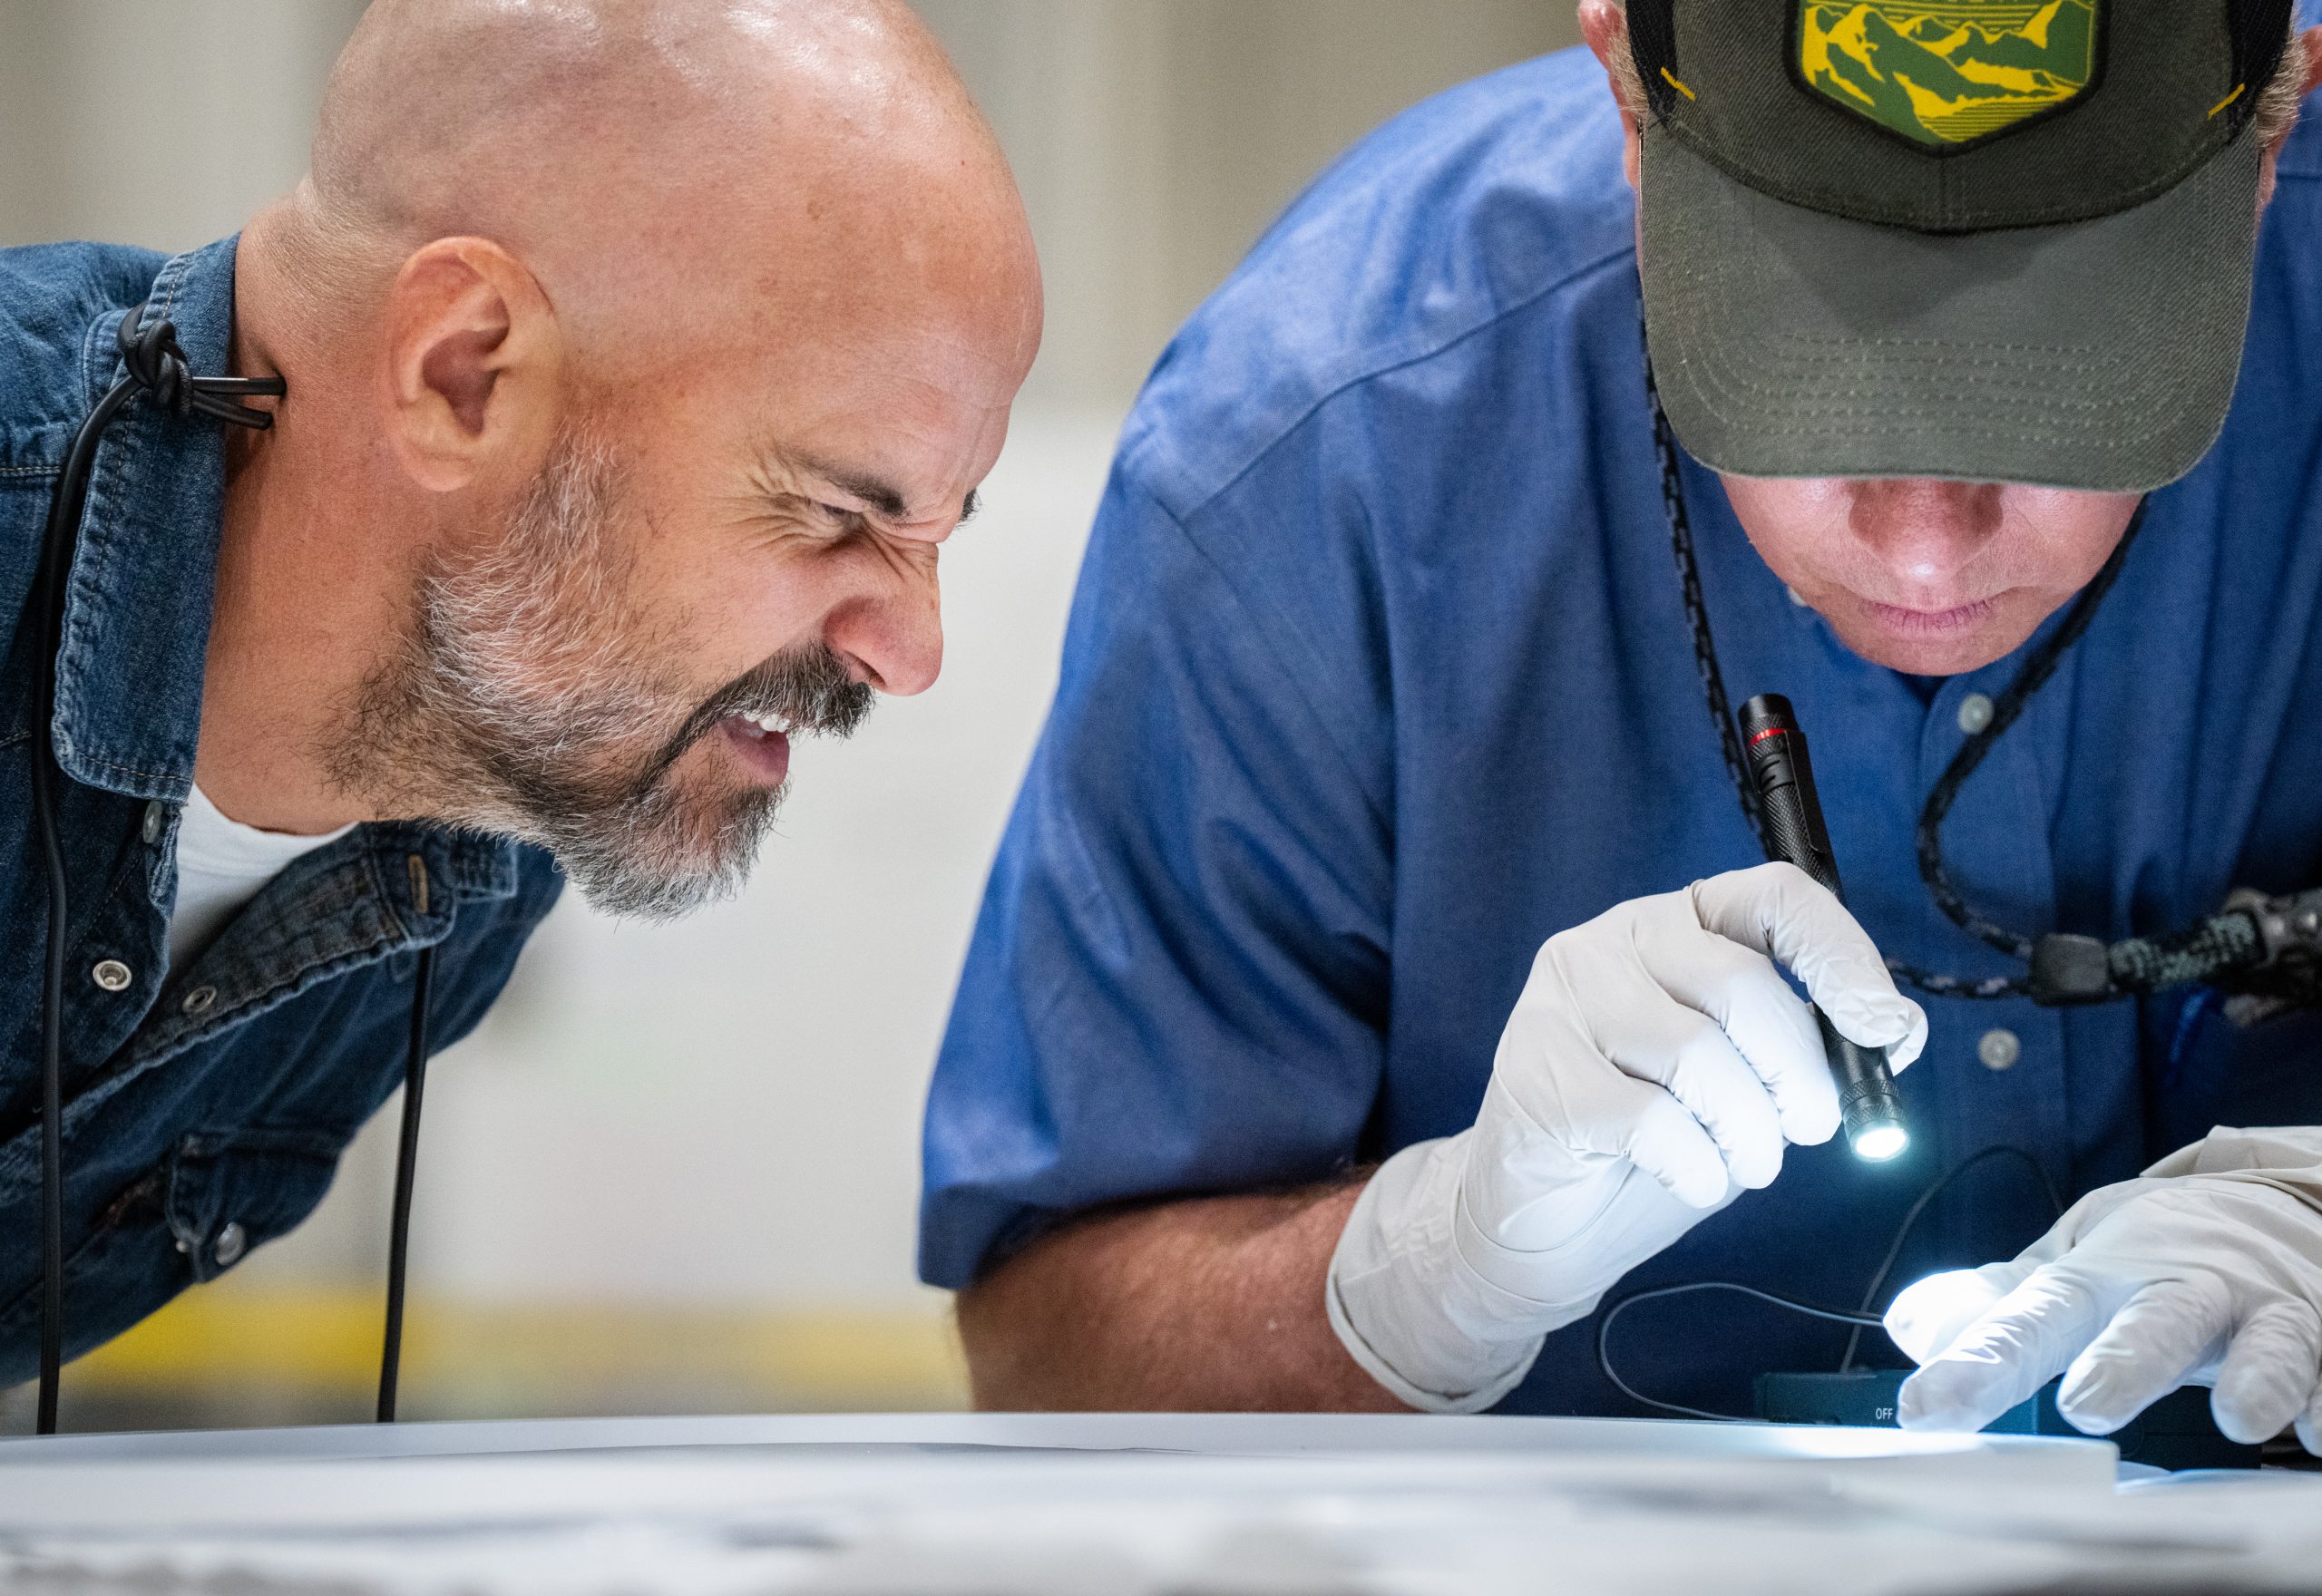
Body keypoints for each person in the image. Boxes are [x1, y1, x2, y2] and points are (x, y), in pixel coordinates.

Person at [922, 0, 2322, 1453]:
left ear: (2276, 123)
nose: (1923, 555)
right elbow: (1044, 1350)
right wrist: (1430, 1272)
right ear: (1626, 98)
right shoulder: (1328, 447)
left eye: (2065, 395)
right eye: (1810, 376)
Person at [0, 0, 1039, 1385]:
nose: (909, 656)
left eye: (939, 537)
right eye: (839, 514)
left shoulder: (483, 832)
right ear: (464, 373)